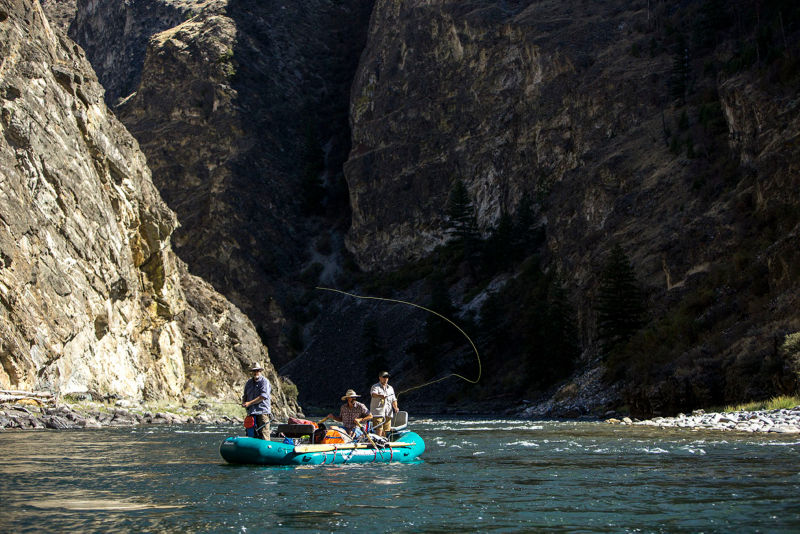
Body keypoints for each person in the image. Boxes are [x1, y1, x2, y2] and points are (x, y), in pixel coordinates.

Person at [242, 362, 271, 439]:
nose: (256, 372)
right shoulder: (248, 383)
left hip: (262, 412)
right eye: (254, 371)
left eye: (257, 370)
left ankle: (265, 446)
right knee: (251, 434)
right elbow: (245, 395)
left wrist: (249, 403)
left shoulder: (264, 382)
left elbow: (263, 396)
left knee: (264, 434)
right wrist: (244, 402)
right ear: (252, 372)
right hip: (251, 413)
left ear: (260, 371)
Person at [370, 371, 398, 437]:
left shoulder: (390, 388)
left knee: (386, 430)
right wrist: (380, 396)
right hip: (378, 413)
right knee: (379, 429)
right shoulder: (375, 386)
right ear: (380, 378)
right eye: (384, 377)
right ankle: (378, 441)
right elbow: (373, 394)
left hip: (388, 413)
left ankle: (384, 441)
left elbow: (394, 399)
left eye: (387, 377)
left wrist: (395, 407)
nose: (386, 379)